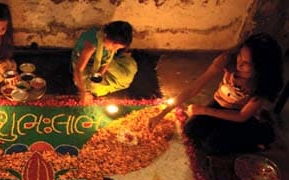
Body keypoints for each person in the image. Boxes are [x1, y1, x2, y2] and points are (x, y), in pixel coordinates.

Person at [149, 33, 284, 155]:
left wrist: (204, 110)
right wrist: (162, 113)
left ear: (261, 68)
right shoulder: (226, 60)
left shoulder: (262, 84)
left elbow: (241, 116)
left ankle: (259, 134)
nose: (239, 63)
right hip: (219, 105)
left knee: (211, 146)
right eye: (240, 56)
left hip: (238, 116)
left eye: (246, 63)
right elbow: (194, 88)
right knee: (190, 130)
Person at [71, 21, 137, 104]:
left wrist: (99, 75)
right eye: (115, 46)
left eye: (118, 48)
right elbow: (78, 70)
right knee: (90, 87)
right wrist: (83, 92)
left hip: (101, 64)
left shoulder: (107, 42)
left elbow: (107, 62)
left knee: (125, 77)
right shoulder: (91, 46)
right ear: (106, 36)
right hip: (87, 66)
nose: (114, 50)